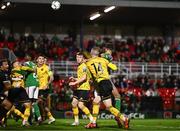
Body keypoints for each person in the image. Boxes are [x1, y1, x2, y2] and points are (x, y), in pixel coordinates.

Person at [85, 47, 130, 129]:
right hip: (108, 83)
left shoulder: (88, 63)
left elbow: (88, 76)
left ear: (91, 54)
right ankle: (93, 123)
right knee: (96, 101)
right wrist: (108, 61)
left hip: (101, 84)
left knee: (109, 106)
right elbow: (115, 68)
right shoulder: (103, 60)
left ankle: (124, 118)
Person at [69, 52, 93, 126]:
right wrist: (75, 79)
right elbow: (81, 78)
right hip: (79, 88)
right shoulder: (80, 66)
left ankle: (92, 119)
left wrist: (74, 83)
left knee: (81, 105)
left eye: (80, 57)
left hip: (84, 88)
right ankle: (76, 121)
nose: (78, 59)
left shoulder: (84, 66)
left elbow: (84, 78)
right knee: (73, 103)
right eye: (77, 57)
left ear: (83, 58)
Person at [9, 60, 33, 126]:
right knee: (11, 108)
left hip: (18, 89)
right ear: (13, 65)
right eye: (16, 63)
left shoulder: (17, 69)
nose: (18, 63)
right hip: (17, 89)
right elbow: (31, 69)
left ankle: (24, 120)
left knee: (27, 105)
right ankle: (24, 118)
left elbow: (30, 70)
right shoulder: (16, 70)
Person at [36, 55, 55, 124]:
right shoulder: (35, 68)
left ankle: (40, 118)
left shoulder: (47, 68)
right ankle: (50, 117)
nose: (41, 60)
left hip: (44, 88)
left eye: (42, 59)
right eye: (39, 58)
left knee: (38, 102)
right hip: (37, 88)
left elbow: (52, 77)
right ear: (37, 60)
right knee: (42, 105)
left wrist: (47, 84)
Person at [24, 54, 42, 125]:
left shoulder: (26, 63)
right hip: (36, 84)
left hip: (30, 84)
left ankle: (28, 120)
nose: (25, 57)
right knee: (34, 102)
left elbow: (24, 73)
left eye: (26, 56)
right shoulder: (34, 64)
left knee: (28, 102)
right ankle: (39, 117)